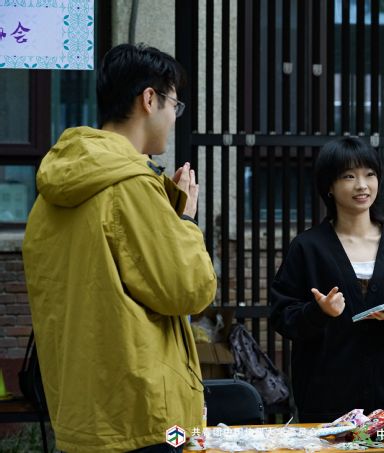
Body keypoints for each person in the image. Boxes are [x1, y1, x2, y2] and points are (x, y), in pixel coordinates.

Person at [22, 44, 217, 452]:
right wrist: (183, 220)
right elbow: (188, 290)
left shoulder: (53, 188)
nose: (173, 118)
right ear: (149, 99)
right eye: (174, 105)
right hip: (144, 420)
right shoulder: (131, 186)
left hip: (81, 418)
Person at [270, 137, 384, 422]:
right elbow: (281, 316)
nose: (362, 185)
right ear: (329, 186)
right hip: (325, 401)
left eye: (369, 174)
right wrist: (318, 312)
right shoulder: (307, 247)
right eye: (349, 176)